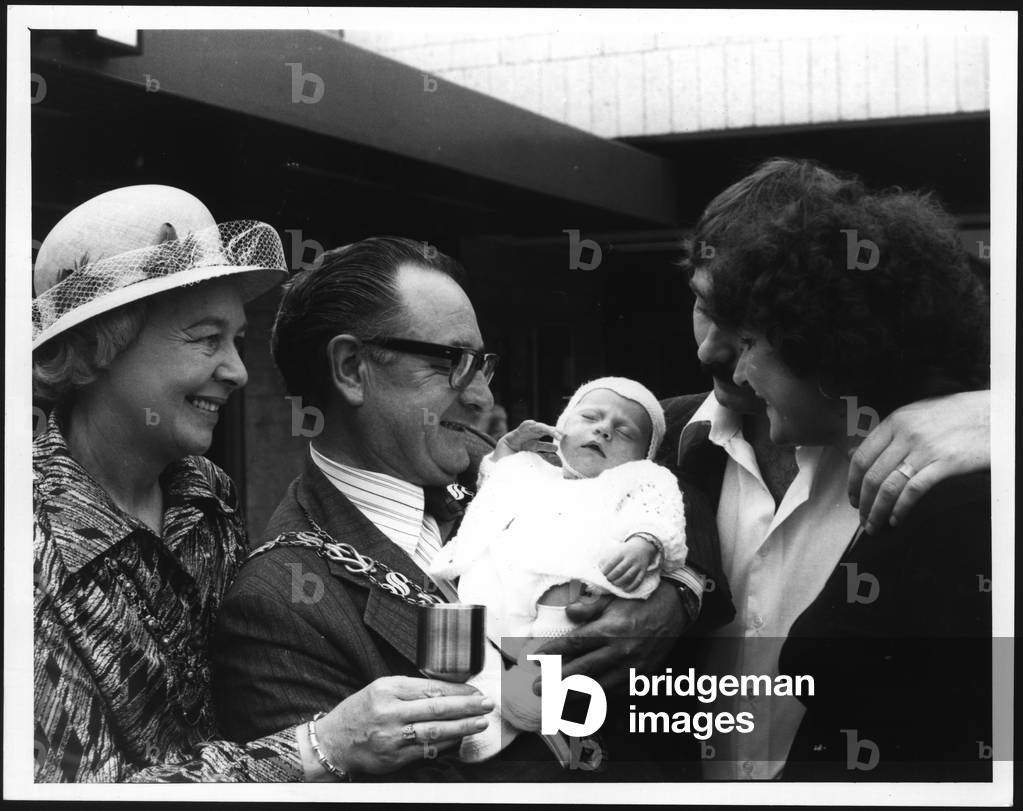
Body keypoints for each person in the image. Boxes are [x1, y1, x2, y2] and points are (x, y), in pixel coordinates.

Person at [211, 238, 710, 780]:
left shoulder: (506, 464)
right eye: (452, 362)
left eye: (483, 366)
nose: (481, 399)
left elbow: (662, 482)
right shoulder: (277, 608)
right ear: (352, 368)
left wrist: (679, 589)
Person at [654, 158, 993, 780]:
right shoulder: (649, 438)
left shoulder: (959, 458)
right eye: (704, 304)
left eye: (747, 331)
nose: (712, 351)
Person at [32, 185, 305, 781]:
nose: (237, 370)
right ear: (101, 344)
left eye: (236, 338)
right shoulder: (27, 548)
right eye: (207, 338)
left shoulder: (206, 493)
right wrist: (315, 751)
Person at [430, 377, 689, 761]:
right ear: (560, 428)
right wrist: (504, 452)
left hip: (565, 598)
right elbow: (494, 490)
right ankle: (483, 710)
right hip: (503, 589)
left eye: (624, 432)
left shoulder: (637, 479)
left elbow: (658, 509)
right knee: (475, 648)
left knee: (548, 662)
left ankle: (523, 705)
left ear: (643, 456)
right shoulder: (531, 469)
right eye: (590, 417)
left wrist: (642, 543)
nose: (603, 429)